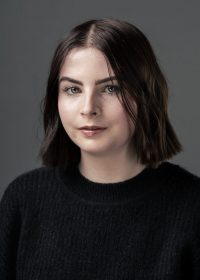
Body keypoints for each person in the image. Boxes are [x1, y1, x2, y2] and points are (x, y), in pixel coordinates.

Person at [0, 18, 200, 279]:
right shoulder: (23, 201)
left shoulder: (193, 207)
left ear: (146, 95)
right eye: (72, 89)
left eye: (110, 88)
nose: (88, 108)